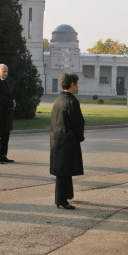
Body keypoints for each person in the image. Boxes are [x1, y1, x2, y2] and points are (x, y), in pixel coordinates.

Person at [50, 72, 85, 210]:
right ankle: (61, 200)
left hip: (57, 138)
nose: (77, 87)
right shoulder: (72, 101)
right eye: (76, 84)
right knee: (63, 171)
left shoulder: (58, 100)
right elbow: (78, 122)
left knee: (65, 169)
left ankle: (68, 194)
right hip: (68, 140)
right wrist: (80, 137)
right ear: (72, 84)